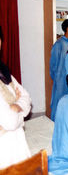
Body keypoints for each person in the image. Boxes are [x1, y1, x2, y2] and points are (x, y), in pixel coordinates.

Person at [0, 26, 32, 169]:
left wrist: (17, 105)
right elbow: (10, 122)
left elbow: (27, 97)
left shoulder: (3, 71)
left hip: (17, 142)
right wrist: (20, 110)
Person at [50, 19, 68, 121]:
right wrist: (57, 78)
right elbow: (53, 64)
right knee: (58, 101)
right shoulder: (59, 44)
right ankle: (54, 123)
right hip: (61, 79)